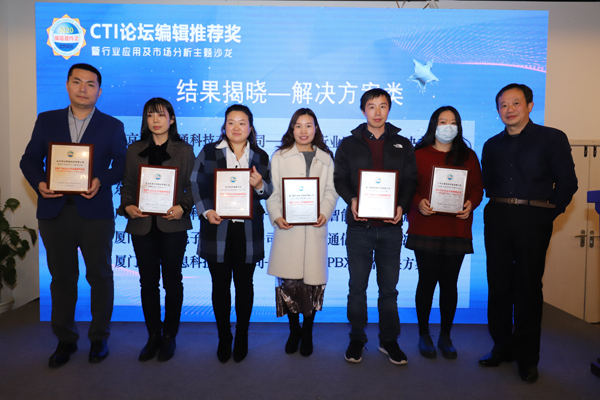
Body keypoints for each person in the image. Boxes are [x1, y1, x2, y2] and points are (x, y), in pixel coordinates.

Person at [20, 63, 127, 368]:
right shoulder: (47, 120)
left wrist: (101, 180)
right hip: (55, 213)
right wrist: (40, 183)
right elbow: (29, 159)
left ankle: (99, 337)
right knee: (62, 278)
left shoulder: (112, 125)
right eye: (77, 82)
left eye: (90, 84)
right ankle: (65, 339)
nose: (83, 89)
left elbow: (122, 164)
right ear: (67, 85)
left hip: (95, 213)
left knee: (100, 276)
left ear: (99, 91)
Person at [480, 83, 577, 383]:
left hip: (533, 219)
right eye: (503, 105)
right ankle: (501, 348)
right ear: (497, 110)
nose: (509, 109)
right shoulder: (491, 145)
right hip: (497, 217)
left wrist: (546, 215)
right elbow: (485, 183)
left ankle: (527, 358)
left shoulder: (552, 138)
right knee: (498, 286)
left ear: (530, 106)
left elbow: (568, 183)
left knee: (528, 288)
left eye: (515, 103)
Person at [334, 88, 417, 365]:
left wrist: (402, 206)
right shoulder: (348, 144)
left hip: (391, 229)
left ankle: (389, 340)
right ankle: (357, 338)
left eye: (383, 106)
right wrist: (353, 199)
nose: (377, 112)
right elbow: (339, 179)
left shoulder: (403, 144)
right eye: (371, 106)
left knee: (389, 290)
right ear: (363, 111)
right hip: (360, 228)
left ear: (389, 109)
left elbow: (410, 181)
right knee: (357, 288)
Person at [191, 104, 272, 363]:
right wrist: (206, 211)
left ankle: (242, 335)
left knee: (245, 286)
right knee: (220, 286)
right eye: (231, 122)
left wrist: (260, 185)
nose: (236, 127)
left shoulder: (260, 156)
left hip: (248, 230)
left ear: (250, 127)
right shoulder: (209, 152)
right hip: (217, 226)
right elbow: (195, 183)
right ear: (224, 126)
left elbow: (269, 191)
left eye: (242, 122)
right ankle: (224, 336)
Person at [118, 98, 194, 362]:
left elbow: (193, 186)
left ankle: (170, 335)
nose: (156, 120)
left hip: (173, 224)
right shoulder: (134, 149)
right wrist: (127, 205)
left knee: (172, 281)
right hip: (142, 225)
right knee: (147, 282)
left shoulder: (185, 150)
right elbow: (128, 184)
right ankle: (153, 335)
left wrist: (183, 207)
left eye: (161, 115)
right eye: (150, 115)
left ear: (171, 119)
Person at [405, 106, 484, 360]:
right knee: (426, 282)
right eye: (442, 122)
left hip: (456, 229)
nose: (447, 127)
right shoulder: (418, 154)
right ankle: (424, 334)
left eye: (452, 122)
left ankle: (446, 336)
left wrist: (471, 203)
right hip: (425, 227)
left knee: (450, 284)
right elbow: (407, 188)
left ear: (458, 127)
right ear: (434, 125)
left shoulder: (468, 156)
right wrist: (417, 203)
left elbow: (477, 188)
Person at [266, 108, 339, 357]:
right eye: (298, 126)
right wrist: (277, 216)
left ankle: (307, 331)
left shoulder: (326, 158)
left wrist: (325, 212)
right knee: (290, 286)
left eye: (309, 125)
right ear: (292, 128)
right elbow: (273, 192)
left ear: (316, 128)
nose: (303, 131)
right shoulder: (280, 156)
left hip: (315, 229)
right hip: (289, 230)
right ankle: (294, 330)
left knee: (312, 286)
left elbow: (331, 191)